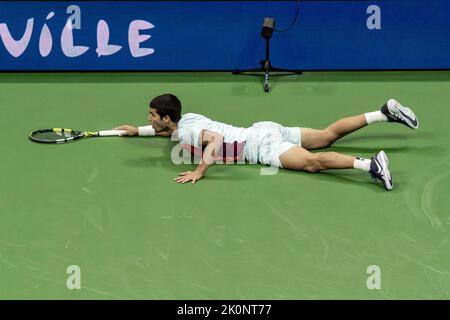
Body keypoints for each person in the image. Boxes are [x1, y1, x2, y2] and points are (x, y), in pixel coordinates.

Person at [114, 94, 419, 190]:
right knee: (326, 135)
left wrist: (199, 171)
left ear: (167, 118)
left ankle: (371, 166)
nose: (150, 118)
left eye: (153, 115)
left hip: (262, 148)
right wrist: (136, 131)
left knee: (311, 164)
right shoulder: (188, 119)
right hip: (266, 129)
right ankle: (383, 113)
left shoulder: (191, 133)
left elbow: (216, 140)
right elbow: (169, 132)